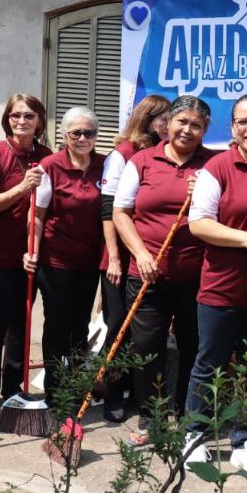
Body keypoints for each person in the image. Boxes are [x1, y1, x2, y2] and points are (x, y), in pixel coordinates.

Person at [183, 94, 247, 459]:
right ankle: (194, 436)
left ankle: (244, 439)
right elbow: (199, 224)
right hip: (221, 287)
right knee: (209, 365)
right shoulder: (218, 168)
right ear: (233, 129)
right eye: (243, 122)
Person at [113, 95, 214, 439]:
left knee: (194, 345)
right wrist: (140, 254)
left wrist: (203, 191)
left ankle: (187, 413)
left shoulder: (212, 165)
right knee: (146, 347)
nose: (187, 130)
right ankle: (151, 415)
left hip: (197, 276)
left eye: (196, 125)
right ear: (167, 124)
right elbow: (121, 213)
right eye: (181, 122)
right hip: (147, 273)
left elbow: (226, 212)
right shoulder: (142, 160)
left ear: (205, 130)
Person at [0, 93, 52, 412]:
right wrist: (22, 187)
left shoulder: (47, 156)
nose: (21, 121)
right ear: (7, 119)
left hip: (28, 253)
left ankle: (14, 386)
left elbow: (43, 210)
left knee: (22, 319)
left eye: (29, 115)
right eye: (16, 115)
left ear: (40, 121)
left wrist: (35, 249)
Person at [97, 94, 170, 422]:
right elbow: (109, 209)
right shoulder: (124, 154)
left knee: (140, 332)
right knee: (118, 328)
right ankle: (112, 392)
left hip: (147, 259)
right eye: (163, 119)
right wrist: (114, 257)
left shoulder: (162, 155)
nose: (168, 125)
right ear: (148, 120)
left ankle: (131, 391)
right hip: (120, 258)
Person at [24, 106, 105, 403]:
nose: (83, 138)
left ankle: (76, 384)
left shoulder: (105, 166)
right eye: (76, 133)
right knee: (58, 324)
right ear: (65, 135)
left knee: (81, 326)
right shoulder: (51, 165)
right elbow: (37, 214)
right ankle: (56, 391)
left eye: (89, 133)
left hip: (89, 260)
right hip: (55, 260)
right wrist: (31, 250)